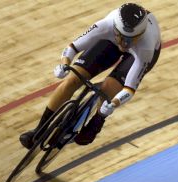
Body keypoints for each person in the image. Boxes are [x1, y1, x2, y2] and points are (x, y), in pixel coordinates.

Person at [20, 2, 162, 149]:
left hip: (138, 55)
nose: (126, 44)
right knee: (72, 81)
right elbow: (72, 48)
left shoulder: (146, 48)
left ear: (141, 34)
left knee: (109, 88)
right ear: (115, 29)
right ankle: (39, 129)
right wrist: (64, 64)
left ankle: (96, 122)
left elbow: (130, 88)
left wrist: (112, 104)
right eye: (123, 38)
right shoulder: (105, 25)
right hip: (110, 42)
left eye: (131, 39)